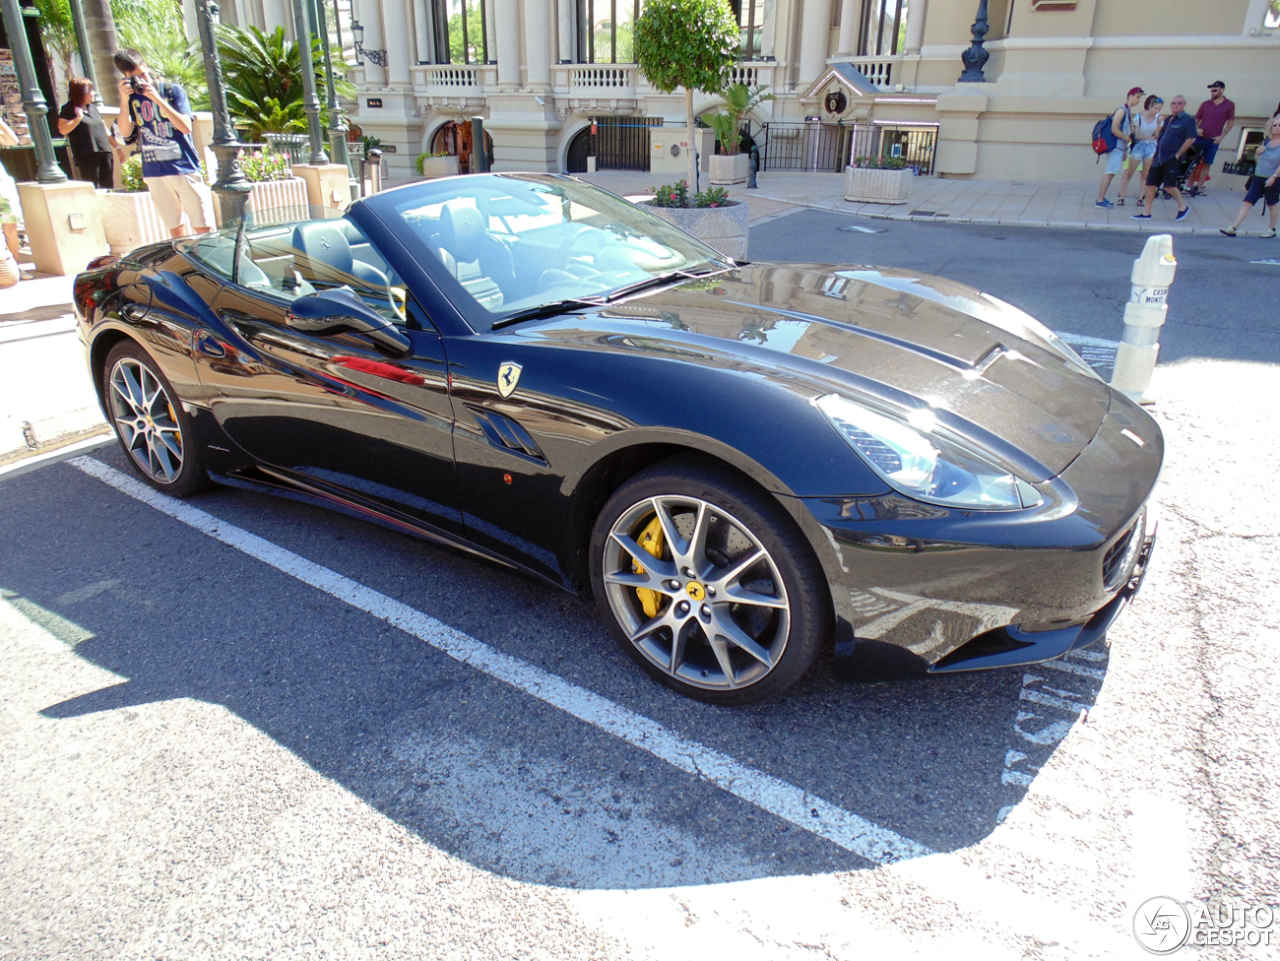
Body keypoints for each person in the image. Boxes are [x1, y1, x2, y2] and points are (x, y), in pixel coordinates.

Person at [113, 48, 214, 238]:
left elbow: (185, 127)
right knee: (176, 229)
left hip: (183, 167)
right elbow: (125, 132)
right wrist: (124, 98)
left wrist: (157, 99)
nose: (143, 81)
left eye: (143, 74)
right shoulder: (132, 98)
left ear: (146, 65)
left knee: (203, 228)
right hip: (155, 172)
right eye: (135, 78)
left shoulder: (172, 91)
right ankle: (185, 265)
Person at [1132, 95, 1197, 223]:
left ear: (1184, 104)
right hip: (1159, 157)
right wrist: (1158, 123)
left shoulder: (1188, 120)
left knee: (1169, 186)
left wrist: (1178, 155)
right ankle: (1146, 213)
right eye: (1173, 103)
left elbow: (1190, 139)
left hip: (1172, 158)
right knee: (1150, 185)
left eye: (1179, 103)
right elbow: (1158, 136)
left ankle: (1182, 207)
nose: (1175, 106)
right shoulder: (1167, 120)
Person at [1220, 123, 1279, 238]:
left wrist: (1274, 176)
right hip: (1258, 176)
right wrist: (1257, 153)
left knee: (1272, 204)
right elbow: (1258, 160)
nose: (1276, 127)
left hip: (1273, 178)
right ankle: (1234, 227)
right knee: (1247, 202)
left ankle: (1271, 229)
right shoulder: (1266, 142)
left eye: (1279, 125)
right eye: (1275, 125)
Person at [57, 78, 116, 190]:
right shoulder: (69, 109)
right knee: (93, 185)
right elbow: (63, 130)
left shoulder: (93, 108)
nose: (93, 93)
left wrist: (117, 147)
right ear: (81, 93)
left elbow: (104, 129)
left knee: (108, 185)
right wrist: (78, 118)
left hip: (104, 152)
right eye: (90, 90)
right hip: (87, 155)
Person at [1096, 86, 1143, 208]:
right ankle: (1100, 200)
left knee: (1111, 172)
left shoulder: (1127, 111)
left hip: (1119, 148)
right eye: (1137, 97)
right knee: (1110, 172)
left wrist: (1125, 148)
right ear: (1130, 96)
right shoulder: (1122, 110)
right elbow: (1114, 129)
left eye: (1140, 98)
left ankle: (1102, 199)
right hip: (1115, 147)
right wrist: (1126, 138)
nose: (1138, 100)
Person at [1187, 81, 1235, 196]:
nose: (1212, 93)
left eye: (1215, 90)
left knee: (1207, 163)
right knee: (1193, 162)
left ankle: (1199, 187)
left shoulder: (1229, 105)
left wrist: (1221, 137)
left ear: (1222, 90)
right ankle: (1189, 186)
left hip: (1214, 139)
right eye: (1211, 90)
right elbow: (1196, 120)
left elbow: (1230, 122)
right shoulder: (1205, 104)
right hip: (1200, 138)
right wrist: (1197, 129)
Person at [1117, 94, 1162, 207]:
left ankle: (1141, 197)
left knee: (1145, 174)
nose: (1157, 111)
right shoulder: (1139, 117)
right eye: (1156, 108)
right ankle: (1122, 196)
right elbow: (1137, 135)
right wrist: (1149, 137)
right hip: (1139, 146)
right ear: (1150, 106)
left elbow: (1157, 135)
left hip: (1151, 146)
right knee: (1129, 172)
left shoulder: (1158, 119)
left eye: (1159, 109)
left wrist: (1158, 123)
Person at [0, 116, 24, 263]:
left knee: (11, 227)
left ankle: (15, 269)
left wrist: (1, 122)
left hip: (2, 184)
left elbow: (12, 141)